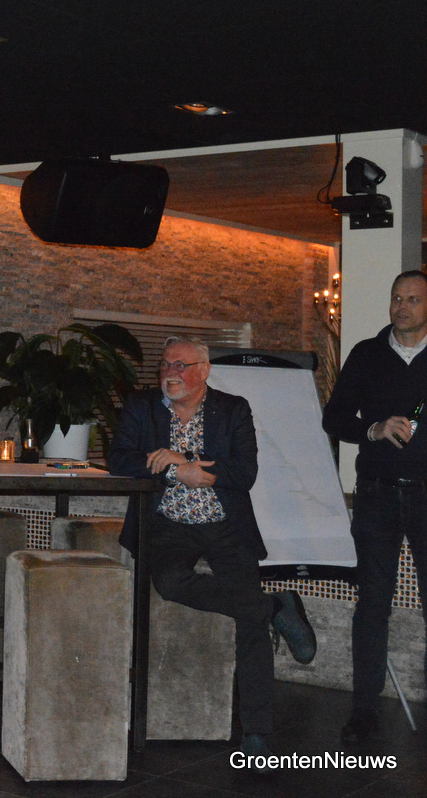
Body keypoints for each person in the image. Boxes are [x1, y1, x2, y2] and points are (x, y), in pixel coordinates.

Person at [108, 336, 317, 761]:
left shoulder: (233, 409)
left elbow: (245, 472)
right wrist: (172, 472)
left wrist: (187, 462)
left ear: (204, 370)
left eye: (181, 366)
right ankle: (275, 605)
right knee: (170, 583)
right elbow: (119, 460)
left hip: (225, 525)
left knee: (248, 620)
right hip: (169, 524)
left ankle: (256, 734)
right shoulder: (141, 407)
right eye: (166, 365)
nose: (170, 374)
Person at [322, 269, 427, 744]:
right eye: (396, 298)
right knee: (372, 605)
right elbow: (334, 417)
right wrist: (374, 428)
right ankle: (364, 708)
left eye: (413, 299)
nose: (402, 307)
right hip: (377, 494)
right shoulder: (366, 354)